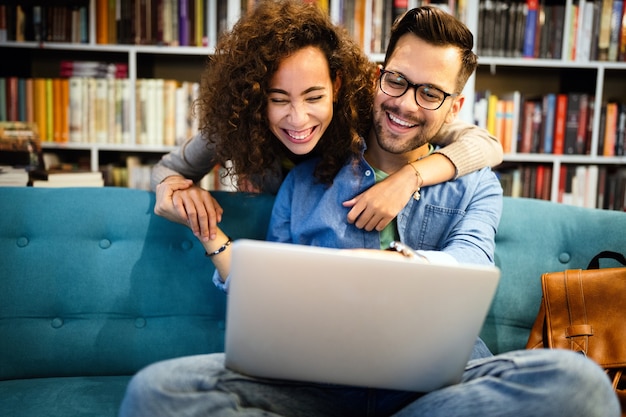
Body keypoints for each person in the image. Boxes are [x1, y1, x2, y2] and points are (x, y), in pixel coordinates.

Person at [119, 4, 620, 417]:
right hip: (314, 383)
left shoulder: (475, 185)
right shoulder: (306, 177)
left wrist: (402, 250)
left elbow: (473, 258)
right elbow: (268, 296)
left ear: (454, 107)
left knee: (576, 383)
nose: (405, 104)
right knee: (160, 390)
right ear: (378, 77)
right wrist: (187, 206)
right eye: (398, 82)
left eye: (430, 93)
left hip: (436, 388)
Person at [150, 0, 502, 244]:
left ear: (335, 86)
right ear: (256, 97)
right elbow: (168, 169)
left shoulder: (377, 103)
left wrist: (409, 178)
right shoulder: (237, 122)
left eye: (314, 97)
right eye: (278, 99)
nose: (299, 118)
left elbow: (486, 145)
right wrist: (170, 188)